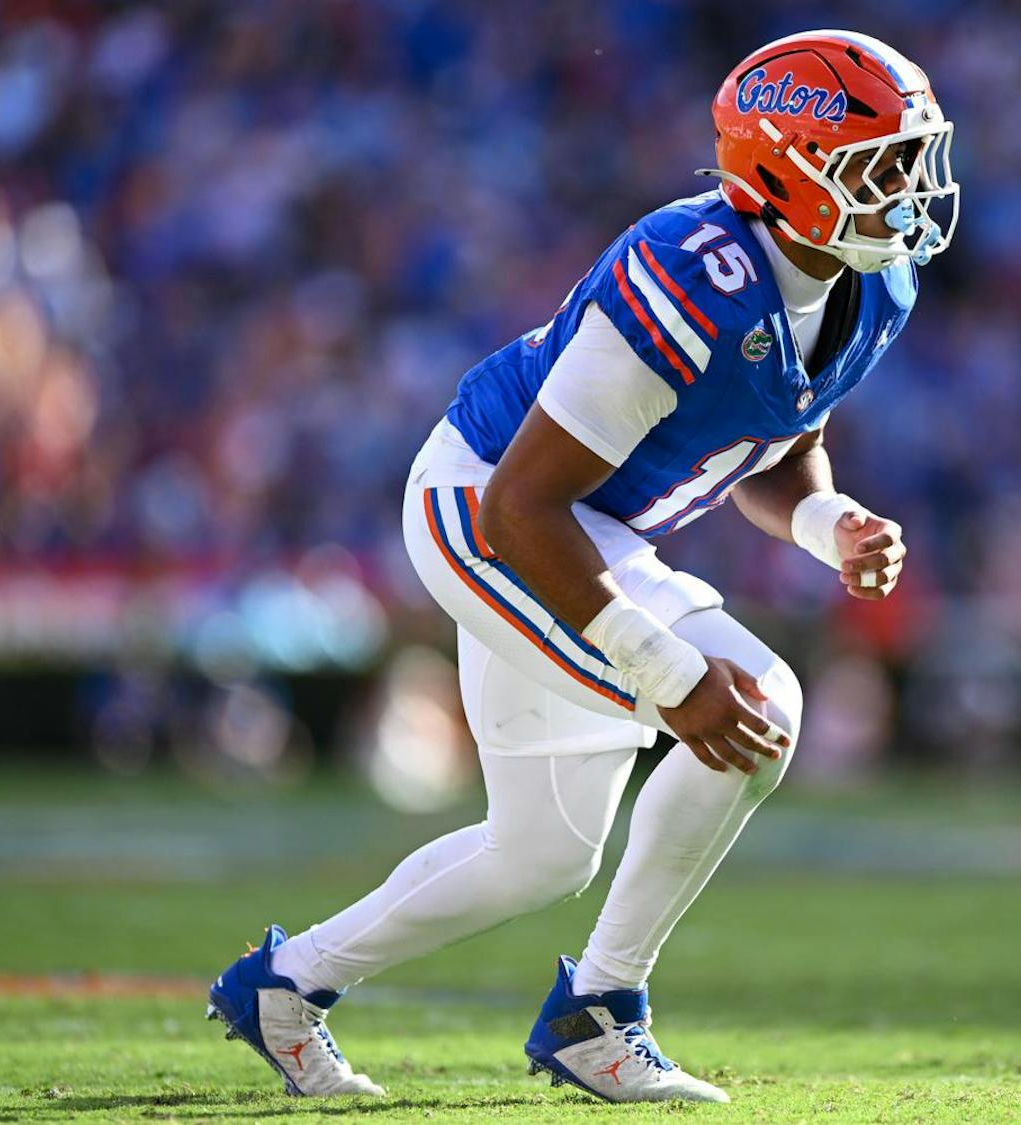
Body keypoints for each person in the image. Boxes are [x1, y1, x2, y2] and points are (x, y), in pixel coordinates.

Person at [205, 30, 959, 1103]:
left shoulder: (872, 286)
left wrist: (827, 524)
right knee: (755, 708)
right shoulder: (692, 275)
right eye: (879, 165)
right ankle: (602, 1012)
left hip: (577, 528)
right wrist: (669, 674)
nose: (909, 190)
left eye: (912, 159)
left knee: (543, 853)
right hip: (490, 509)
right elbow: (523, 504)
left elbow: (781, 449)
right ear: (786, 169)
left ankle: (282, 987)